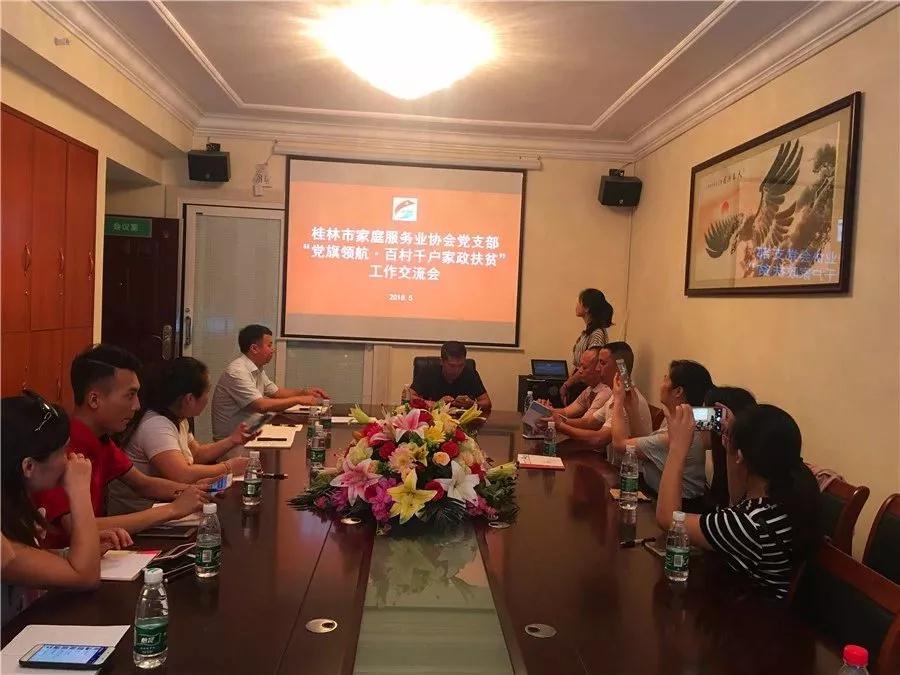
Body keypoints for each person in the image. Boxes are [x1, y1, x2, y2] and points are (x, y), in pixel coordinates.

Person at [32, 345, 208, 548]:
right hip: (61, 560)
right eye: (130, 395)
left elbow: (143, 484)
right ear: (94, 399)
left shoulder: (101, 439)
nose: (137, 405)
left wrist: (196, 491)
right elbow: (77, 527)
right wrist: (172, 510)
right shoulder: (59, 449)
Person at [657, 403, 821, 599]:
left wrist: (677, 448)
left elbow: (669, 520)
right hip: (757, 606)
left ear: (741, 457)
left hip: (749, 613)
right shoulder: (781, 501)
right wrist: (731, 450)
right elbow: (737, 502)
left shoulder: (749, 524)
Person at [1, 394, 132, 625]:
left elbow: (27, 559)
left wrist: (76, 551)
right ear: (28, 466)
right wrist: (79, 490)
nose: (71, 458)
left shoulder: (15, 504)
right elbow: (85, 577)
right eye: (62, 452)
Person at [108, 357, 257, 515]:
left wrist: (232, 440)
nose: (207, 398)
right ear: (189, 399)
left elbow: (196, 454)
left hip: (164, 503)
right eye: (206, 392)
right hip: (141, 511)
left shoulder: (178, 418)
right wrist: (228, 467)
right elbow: (182, 475)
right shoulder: (157, 425)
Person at [611, 360, 713, 507]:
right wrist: (631, 407)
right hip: (661, 496)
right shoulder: (682, 419)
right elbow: (644, 445)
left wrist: (618, 400)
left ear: (678, 391)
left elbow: (620, 445)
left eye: (666, 378)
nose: (662, 382)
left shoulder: (680, 433)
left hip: (681, 508)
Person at [211, 325, 328, 441]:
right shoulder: (237, 372)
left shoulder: (257, 368)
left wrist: (304, 392)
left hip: (253, 431)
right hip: (230, 442)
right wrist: (298, 400)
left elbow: (276, 392)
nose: (273, 350)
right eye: (269, 345)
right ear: (254, 348)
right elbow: (261, 406)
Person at [555, 342, 650, 449]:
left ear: (620, 368)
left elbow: (598, 439)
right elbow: (589, 422)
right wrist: (556, 419)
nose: (597, 368)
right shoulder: (616, 395)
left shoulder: (628, 401)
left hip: (625, 460)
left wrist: (560, 425)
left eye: (602, 363)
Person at [702, 386, 757, 509]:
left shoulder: (747, 471)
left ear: (722, 421)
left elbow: (736, 503)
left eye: (704, 416)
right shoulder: (720, 463)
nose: (697, 423)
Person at [560, 289, 613, 404]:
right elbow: (578, 364)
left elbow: (590, 366)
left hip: (585, 385)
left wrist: (567, 384)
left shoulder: (597, 333)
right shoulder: (587, 333)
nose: (576, 305)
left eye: (579, 302)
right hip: (577, 383)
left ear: (587, 308)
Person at [409, 341, 492, 414]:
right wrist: (437, 404)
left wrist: (472, 404)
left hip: (462, 421)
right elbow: (409, 397)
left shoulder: (470, 373)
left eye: (461, 365)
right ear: (442, 361)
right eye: (452, 366)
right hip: (432, 420)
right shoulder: (428, 371)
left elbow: (487, 403)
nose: (457, 370)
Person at [542, 347, 610, 424]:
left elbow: (586, 424)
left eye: (584, 367)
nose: (580, 371)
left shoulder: (605, 392)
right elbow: (566, 412)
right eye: (580, 366)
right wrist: (545, 409)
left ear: (599, 368)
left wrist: (557, 422)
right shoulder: (590, 389)